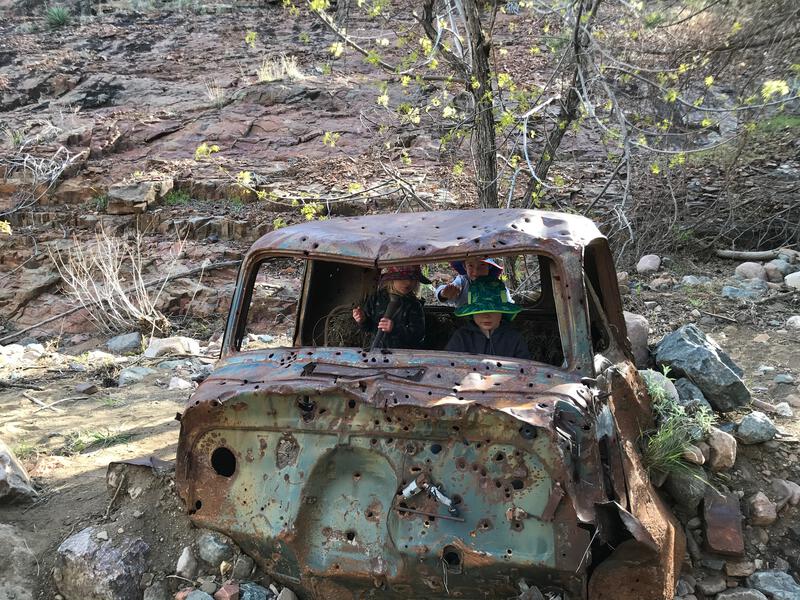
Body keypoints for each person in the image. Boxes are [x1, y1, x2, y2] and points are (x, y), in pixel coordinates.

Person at [445, 276, 530, 360]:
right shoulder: (461, 337)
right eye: (479, 311)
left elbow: (526, 367)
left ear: (502, 312)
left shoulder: (514, 338)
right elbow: (448, 364)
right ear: (472, 313)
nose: (486, 315)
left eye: (492, 310)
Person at [352, 265, 429, 349]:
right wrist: (362, 320)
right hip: (377, 350)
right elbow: (369, 327)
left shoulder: (414, 305)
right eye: (402, 278)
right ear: (392, 279)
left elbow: (418, 335)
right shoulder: (376, 298)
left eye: (413, 279)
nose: (408, 282)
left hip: (403, 355)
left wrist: (395, 328)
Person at [435, 258, 510, 307]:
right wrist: (443, 294)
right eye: (470, 265)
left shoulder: (496, 285)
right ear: (465, 266)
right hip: (465, 322)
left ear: (489, 266)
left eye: (482, 265)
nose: (476, 271)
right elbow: (450, 289)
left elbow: (508, 302)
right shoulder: (462, 281)